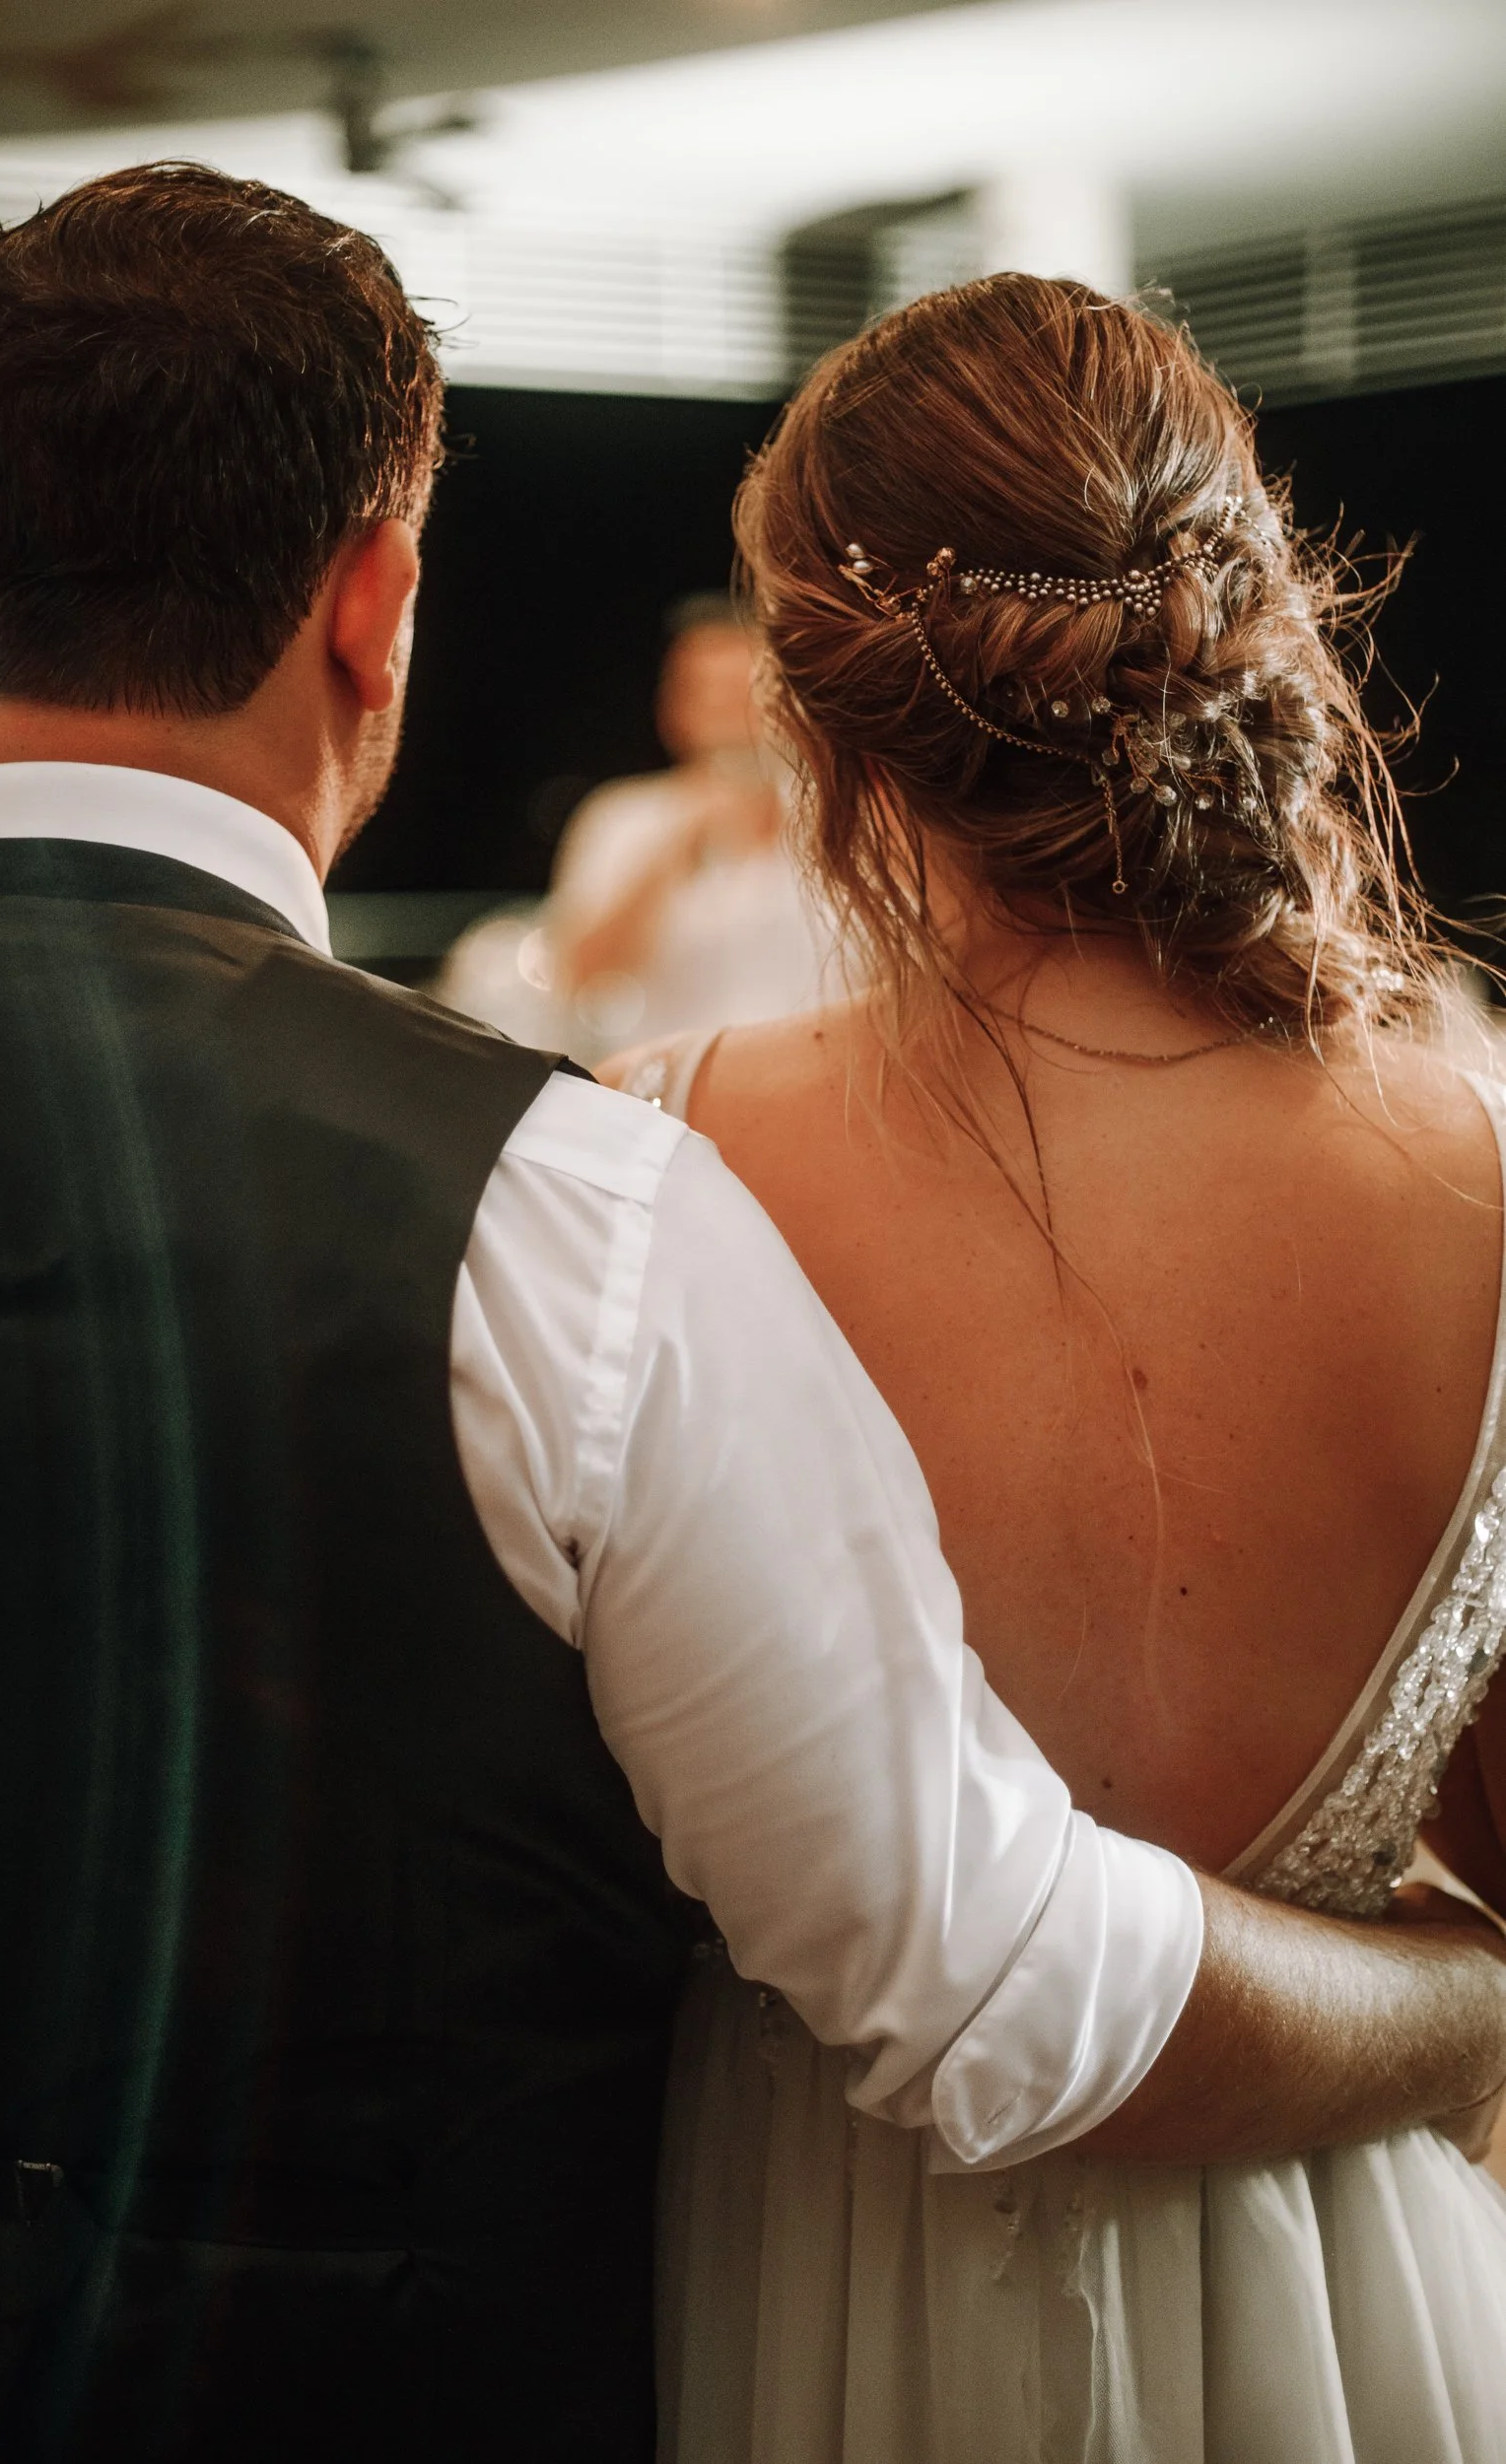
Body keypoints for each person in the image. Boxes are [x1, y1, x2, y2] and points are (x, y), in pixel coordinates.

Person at [0, 173, 1501, 2464]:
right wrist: (1456, 2015)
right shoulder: (566, 1206)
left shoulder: (662, 1142)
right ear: (377, 604)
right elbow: (980, 1969)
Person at [603, 276, 1506, 2462]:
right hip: (1347, 2296)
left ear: (815, 725)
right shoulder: (1476, 1163)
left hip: (807, 2278)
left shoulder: (639, 1151)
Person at [436, 597, 837, 1061]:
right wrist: (675, 851)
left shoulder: (839, 820)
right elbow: (577, 975)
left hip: (809, 1081)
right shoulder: (622, 816)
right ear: (674, 707)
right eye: (705, 692)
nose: (728, 712)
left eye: (742, 691)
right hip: (665, 1089)